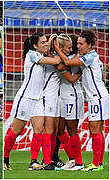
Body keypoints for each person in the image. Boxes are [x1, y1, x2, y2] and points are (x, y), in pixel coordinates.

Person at [3, 32, 62, 171]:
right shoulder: (32, 55)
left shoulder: (42, 56)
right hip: (26, 97)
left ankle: (33, 162)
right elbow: (56, 61)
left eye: (46, 41)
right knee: (17, 130)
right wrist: (59, 50)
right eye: (42, 42)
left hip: (38, 99)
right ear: (35, 45)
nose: (46, 44)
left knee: (39, 130)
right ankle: (5, 159)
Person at [54, 30, 108, 171]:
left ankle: (96, 164)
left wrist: (57, 49)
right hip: (95, 97)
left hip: (97, 97)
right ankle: (98, 163)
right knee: (97, 130)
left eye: (81, 43)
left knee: (95, 130)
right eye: (77, 43)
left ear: (90, 45)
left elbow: (66, 62)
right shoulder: (90, 56)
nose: (78, 46)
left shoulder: (89, 57)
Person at [49, 33, 84, 170]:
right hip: (63, 97)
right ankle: (72, 159)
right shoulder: (60, 58)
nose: (71, 50)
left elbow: (69, 77)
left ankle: (78, 162)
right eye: (68, 48)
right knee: (59, 131)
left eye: (71, 48)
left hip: (72, 96)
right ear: (61, 47)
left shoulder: (72, 58)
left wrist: (79, 73)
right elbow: (59, 65)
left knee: (72, 131)